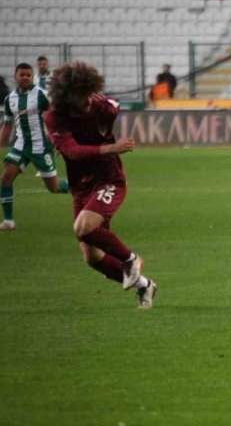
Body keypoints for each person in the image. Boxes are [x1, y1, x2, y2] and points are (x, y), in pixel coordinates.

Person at [44, 62, 157, 308]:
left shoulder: (99, 108)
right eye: (79, 94)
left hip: (109, 179)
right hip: (81, 187)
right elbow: (72, 152)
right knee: (91, 256)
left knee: (83, 227)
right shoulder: (54, 118)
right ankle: (145, 285)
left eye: (87, 91)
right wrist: (112, 148)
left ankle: (131, 259)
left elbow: (113, 107)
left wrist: (104, 107)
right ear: (65, 96)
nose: (85, 98)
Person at [0, 63, 69, 231]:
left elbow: (57, 115)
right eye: (21, 74)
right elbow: (7, 125)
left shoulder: (41, 95)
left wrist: (61, 139)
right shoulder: (10, 99)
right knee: (6, 177)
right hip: (21, 145)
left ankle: (81, 184)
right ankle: (8, 221)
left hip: (41, 146)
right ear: (15, 77)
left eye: (28, 75)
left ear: (32, 77)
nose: (24, 77)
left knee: (54, 187)